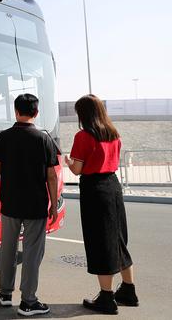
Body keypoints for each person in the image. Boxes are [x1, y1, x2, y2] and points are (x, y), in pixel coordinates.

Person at [64, 94, 138, 315]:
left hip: (95, 189)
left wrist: (68, 162)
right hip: (113, 186)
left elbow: (77, 170)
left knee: (100, 241)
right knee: (118, 238)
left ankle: (106, 298)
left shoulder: (84, 136)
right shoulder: (114, 134)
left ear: (83, 114)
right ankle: (128, 290)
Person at [0, 93, 59, 317]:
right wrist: (54, 205)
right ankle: (28, 302)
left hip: (10, 203)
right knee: (31, 252)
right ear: (36, 113)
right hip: (36, 205)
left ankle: (5, 294)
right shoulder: (44, 139)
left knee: (7, 249)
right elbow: (51, 176)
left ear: (16, 111)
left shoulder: (3, 137)